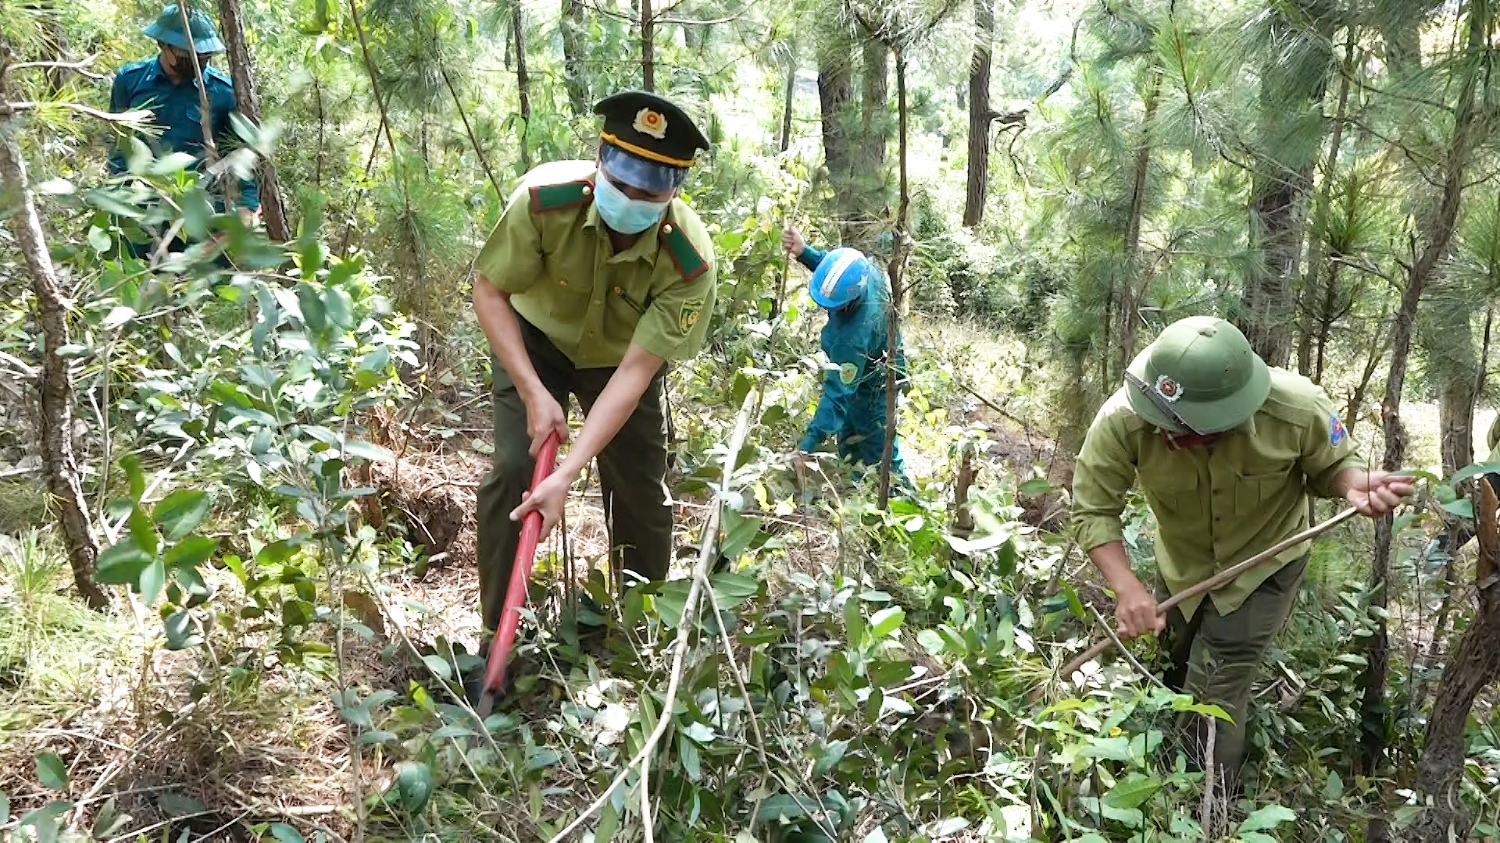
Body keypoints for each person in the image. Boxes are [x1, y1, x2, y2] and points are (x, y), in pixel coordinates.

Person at [1070, 316, 1414, 792]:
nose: (1170, 437)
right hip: (1183, 566)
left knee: (1215, 690)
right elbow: (1093, 506)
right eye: (1163, 423)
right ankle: (1158, 766)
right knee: (1172, 665)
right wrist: (1126, 587)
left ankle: (1204, 804)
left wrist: (1353, 484)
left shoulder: (1296, 408)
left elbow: (1335, 466)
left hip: (1263, 568)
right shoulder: (1125, 417)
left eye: (1187, 431)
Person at [472, 91, 715, 650]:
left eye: (648, 192)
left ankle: (638, 630)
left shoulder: (689, 261)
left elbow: (635, 374)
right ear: (599, 162)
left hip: (619, 362)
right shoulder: (542, 201)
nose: (630, 198)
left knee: (639, 493)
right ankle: (498, 632)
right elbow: (489, 291)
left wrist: (569, 471)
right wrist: (533, 392)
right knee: (514, 470)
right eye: (621, 182)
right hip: (534, 341)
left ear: (673, 193)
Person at [108, 4, 260, 255]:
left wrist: (247, 207)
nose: (198, 63)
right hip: (144, 205)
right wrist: (117, 193)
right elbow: (119, 144)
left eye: (205, 57)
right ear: (162, 44)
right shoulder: (130, 81)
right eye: (187, 55)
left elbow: (241, 155)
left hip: (203, 209)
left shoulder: (224, 92)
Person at [782, 225, 910, 489]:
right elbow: (833, 269)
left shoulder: (852, 337)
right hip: (873, 362)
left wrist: (807, 447)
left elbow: (837, 395)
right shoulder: (861, 268)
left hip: (877, 384)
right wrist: (804, 252)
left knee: (880, 455)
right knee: (849, 441)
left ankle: (906, 504)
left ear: (848, 303)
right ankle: (856, 496)